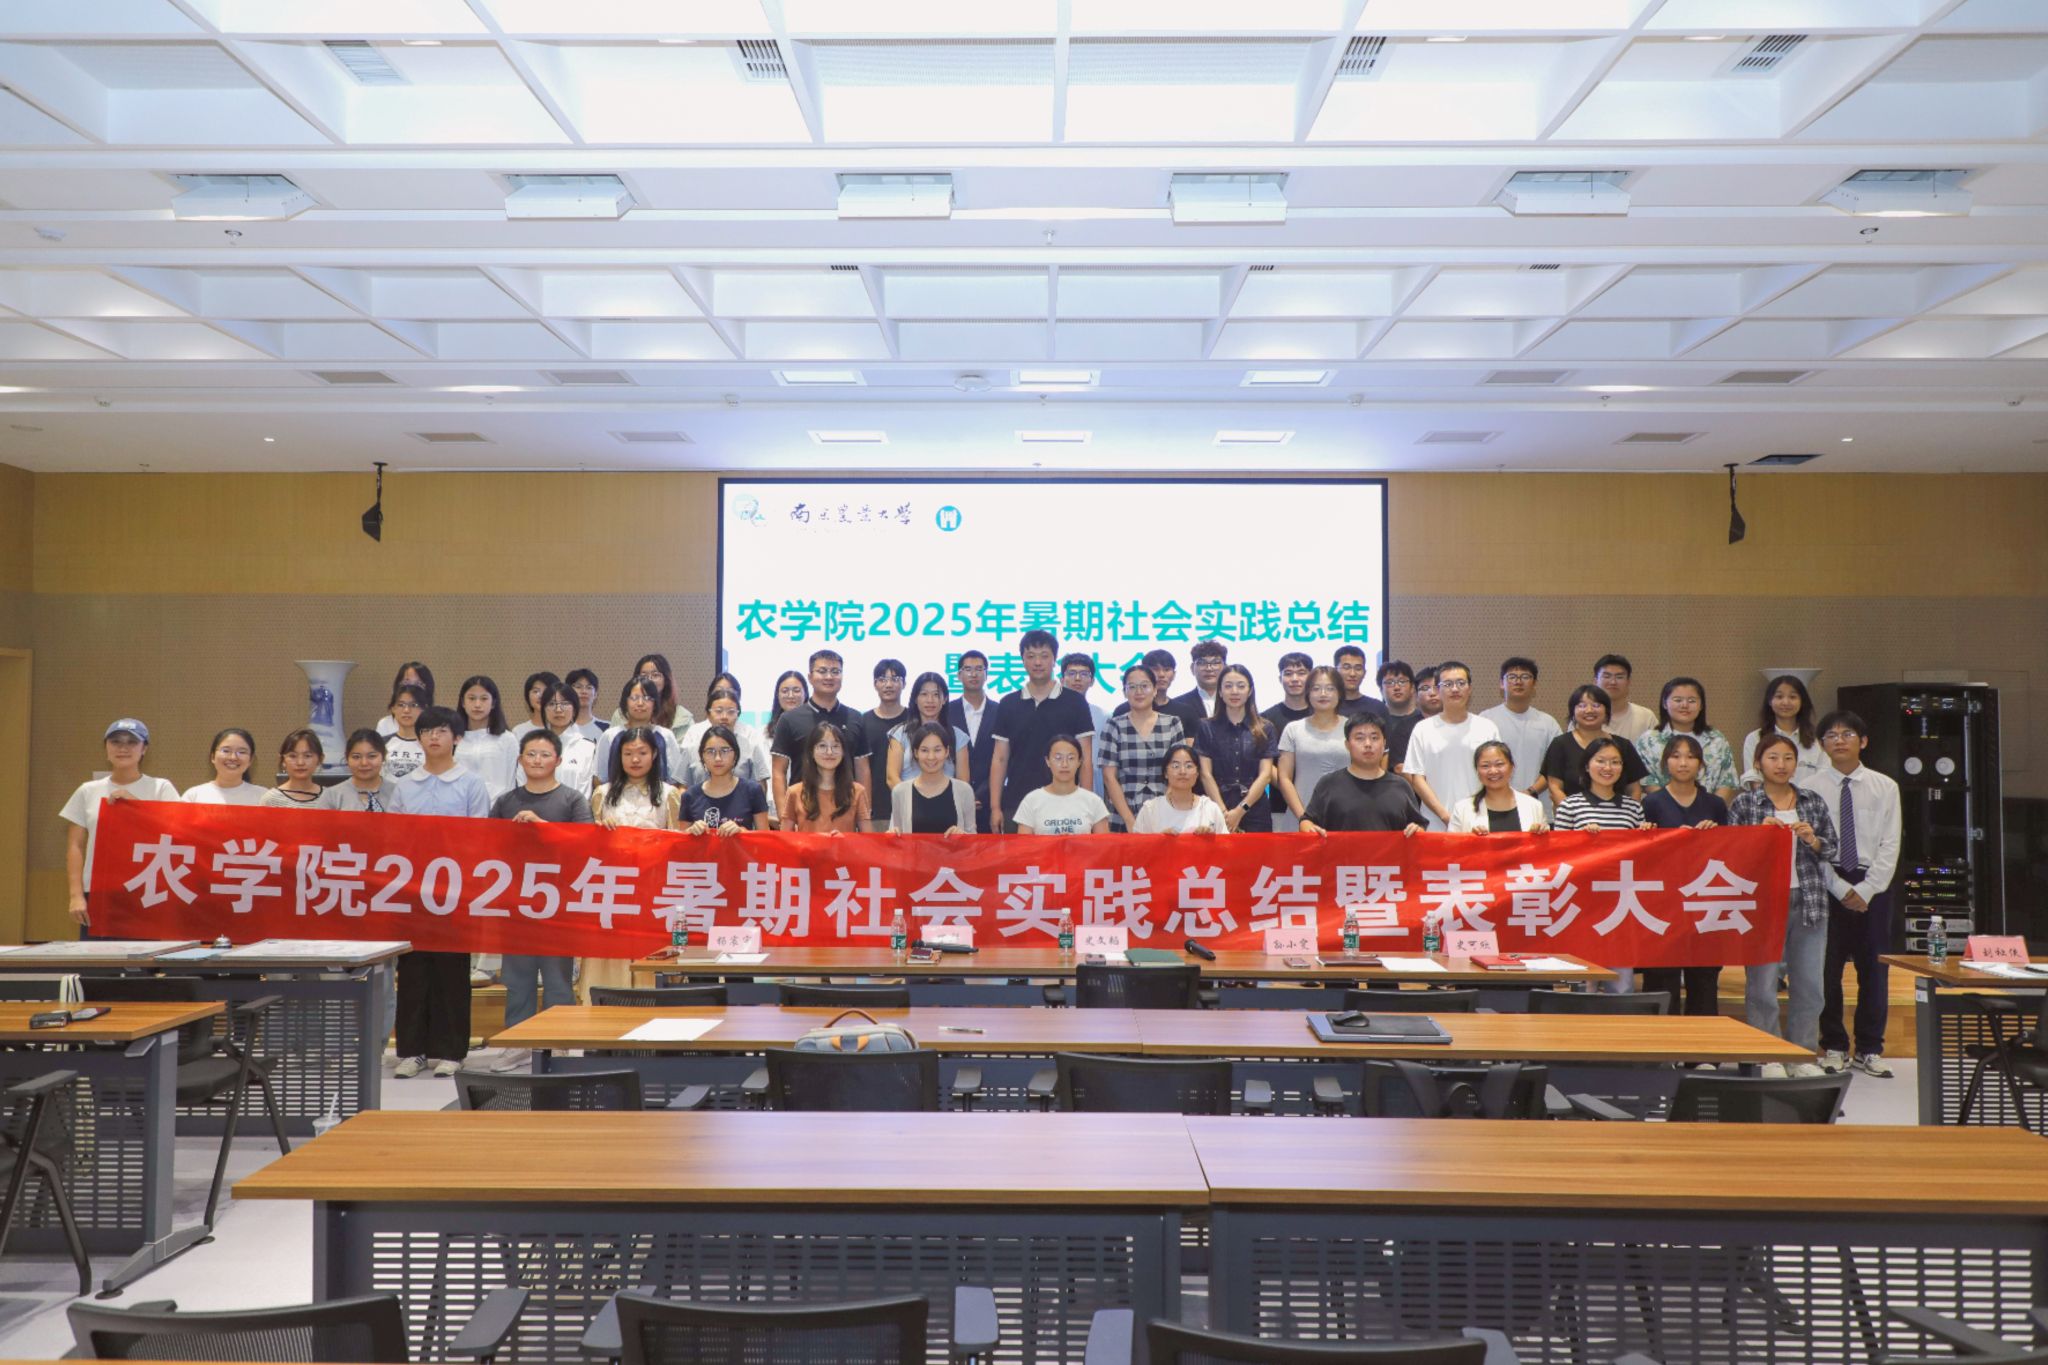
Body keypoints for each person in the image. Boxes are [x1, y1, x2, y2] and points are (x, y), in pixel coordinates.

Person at [1732, 733, 1840, 1076]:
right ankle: (1767, 1055)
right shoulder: (1745, 804)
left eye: (1788, 758)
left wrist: (1812, 839)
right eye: (1773, 757)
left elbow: (1833, 848)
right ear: (1758, 763)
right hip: (1763, 904)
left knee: (1810, 986)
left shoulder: (1811, 800)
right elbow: (1731, 855)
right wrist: (1757, 835)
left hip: (1809, 901)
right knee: (1762, 986)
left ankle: (1801, 1056)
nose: (1781, 765)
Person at [393, 705, 491, 1079]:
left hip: (454, 890)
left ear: (457, 737)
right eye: (426, 731)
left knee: (452, 971)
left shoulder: (471, 783)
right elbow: (395, 839)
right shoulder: (405, 785)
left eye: (441, 731)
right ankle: (412, 1050)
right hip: (413, 890)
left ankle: (452, 1051)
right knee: (413, 971)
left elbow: (479, 836)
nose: (433, 737)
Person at [488, 730, 593, 1070]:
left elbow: (585, 844)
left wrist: (542, 825)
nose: (537, 760)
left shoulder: (572, 800)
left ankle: (557, 1041)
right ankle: (518, 1043)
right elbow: (488, 845)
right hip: (515, 901)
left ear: (558, 760)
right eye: (531, 754)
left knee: (557, 977)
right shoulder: (505, 802)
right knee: (517, 978)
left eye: (545, 754)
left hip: (558, 902)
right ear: (520, 759)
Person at [1809, 710, 1903, 1079]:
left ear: (1862, 741)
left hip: (1873, 886)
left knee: (1874, 971)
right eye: (1831, 735)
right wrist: (1838, 886)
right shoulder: (1809, 787)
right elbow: (1808, 847)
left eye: (1847, 734)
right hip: (1827, 882)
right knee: (1827, 970)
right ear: (1822, 745)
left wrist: (1866, 888)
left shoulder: (1885, 786)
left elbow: (1890, 843)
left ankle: (1869, 1048)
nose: (1839, 740)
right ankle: (1833, 1045)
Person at [1639, 734, 1731, 1018]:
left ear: (1701, 764)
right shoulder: (1651, 802)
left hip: (1704, 901)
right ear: (1665, 762)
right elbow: (1641, 857)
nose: (1683, 763)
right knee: (1661, 979)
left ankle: (1702, 1046)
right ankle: (1663, 1043)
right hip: (1663, 903)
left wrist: (1712, 836)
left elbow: (1729, 852)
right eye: (1676, 756)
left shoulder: (1715, 804)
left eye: (1691, 757)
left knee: (1704, 979)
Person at [61, 719, 179, 932]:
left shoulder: (161, 788)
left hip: (147, 890)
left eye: (132, 742)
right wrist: (76, 895)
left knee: (145, 953)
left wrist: (135, 806)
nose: (123, 748)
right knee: (97, 953)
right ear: (106, 747)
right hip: (99, 891)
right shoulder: (87, 790)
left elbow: (177, 834)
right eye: (116, 741)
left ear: (144, 749)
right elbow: (75, 846)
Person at [985, 630, 1096, 832]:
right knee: (1019, 854)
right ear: (1022, 660)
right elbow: (999, 758)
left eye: (1044, 656)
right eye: (1031, 656)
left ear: (1054, 660)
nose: (1038, 662)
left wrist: (1088, 805)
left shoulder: (1075, 702)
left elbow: (1086, 758)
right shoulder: (1008, 703)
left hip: (1067, 804)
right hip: (1017, 803)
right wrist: (995, 807)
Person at [1401, 662, 1503, 831]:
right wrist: (1446, 816)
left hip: (1479, 820)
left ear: (1470, 688)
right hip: (1436, 822)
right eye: (1448, 684)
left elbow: (1497, 774)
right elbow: (1417, 779)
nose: (1455, 689)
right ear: (1438, 690)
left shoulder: (1487, 727)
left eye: (1461, 683)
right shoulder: (1423, 729)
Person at [769, 649, 871, 813]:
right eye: (822, 671)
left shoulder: (855, 718)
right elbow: (778, 771)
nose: (829, 677)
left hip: (846, 811)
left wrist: (864, 813)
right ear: (810, 677)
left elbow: (862, 769)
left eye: (835, 671)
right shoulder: (789, 719)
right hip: (803, 812)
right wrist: (784, 815)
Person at [1299, 713, 1426, 836]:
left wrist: (1417, 829)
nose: (1368, 744)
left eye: (1374, 738)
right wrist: (1309, 828)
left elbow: (1419, 825)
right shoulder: (1329, 784)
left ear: (1384, 743)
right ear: (1347, 745)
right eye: (1359, 738)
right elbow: (1307, 821)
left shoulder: (1401, 786)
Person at [1098, 663, 1185, 832]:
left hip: (1165, 815)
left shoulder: (1172, 723)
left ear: (1155, 690)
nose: (1138, 692)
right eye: (1132, 687)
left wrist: (1161, 813)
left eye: (1144, 686)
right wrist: (1130, 820)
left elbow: (1178, 771)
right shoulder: (1114, 725)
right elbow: (1109, 777)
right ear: (1124, 692)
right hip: (1123, 817)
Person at [1196, 663, 1275, 833]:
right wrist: (1222, 812)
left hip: (1255, 809)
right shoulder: (1206, 726)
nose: (1234, 691)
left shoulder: (1265, 728)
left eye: (1241, 686)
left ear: (1250, 691)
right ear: (1220, 691)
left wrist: (1240, 810)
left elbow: (1265, 775)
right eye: (1228, 686)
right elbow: (1205, 774)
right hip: (1216, 807)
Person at [1636, 677, 1738, 802]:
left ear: (1701, 705)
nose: (1684, 705)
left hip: (1710, 812)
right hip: (1662, 810)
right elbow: (1647, 781)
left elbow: (1727, 781)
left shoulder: (1716, 739)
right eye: (1677, 700)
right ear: (1664, 703)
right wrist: (1671, 808)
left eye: (1691, 701)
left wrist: (1711, 808)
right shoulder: (1648, 740)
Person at [1541, 685, 1648, 805]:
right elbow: (1555, 788)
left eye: (1596, 705)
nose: (1589, 710)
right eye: (1582, 705)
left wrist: (1630, 812)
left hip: (1618, 814)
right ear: (1572, 711)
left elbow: (1634, 789)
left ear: (1607, 710)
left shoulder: (1623, 745)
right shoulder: (1560, 744)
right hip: (1573, 815)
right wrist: (1573, 812)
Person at [1481, 657, 1561, 813]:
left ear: (1534, 683)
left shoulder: (1548, 723)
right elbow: (1480, 764)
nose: (1518, 681)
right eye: (1512, 677)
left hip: (1538, 807)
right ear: (1501, 683)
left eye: (1525, 676)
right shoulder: (1486, 719)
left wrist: (1531, 791)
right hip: (1495, 806)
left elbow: (1555, 767)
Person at [1275, 665, 1349, 833]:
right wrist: (1304, 818)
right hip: (1300, 817)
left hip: (1345, 817)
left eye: (1330, 688)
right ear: (1308, 693)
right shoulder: (1293, 729)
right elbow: (1284, 778)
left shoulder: (1352, 728)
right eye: (1316, 688)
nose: (1323, 694)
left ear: (1340, 693)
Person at [680, 723, 773, 835]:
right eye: (710, 752)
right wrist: (690, 832)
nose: (718, 758)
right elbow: (681, 840)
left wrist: (742, 832)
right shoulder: (690, 796)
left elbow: (764, 838)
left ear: (735, 755)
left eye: (724, 751)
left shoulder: (752, 791)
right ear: (702, 757)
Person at [780, 720, 871, 835]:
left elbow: (868, 840)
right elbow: (784, 839)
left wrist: (845, 840)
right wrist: (816, 840)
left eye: (835, 746)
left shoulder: (857, 792)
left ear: (843, 752)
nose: (829, 752)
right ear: (811, 752)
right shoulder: (794, 792)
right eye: (822, 746)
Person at [1740, 674, 1828, 789]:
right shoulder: (1755, 738)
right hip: (1767, 800)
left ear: (1802, 701)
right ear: (1769, 701)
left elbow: (1824, 777)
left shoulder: (1817, 739)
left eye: (1792, 697)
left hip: (1809, 799)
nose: (1785, 702)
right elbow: (1753, 778)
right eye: (1779, 697)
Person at [887, 722, 976, 835]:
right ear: (916, 753)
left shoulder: (964, 790)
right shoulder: (900, 791)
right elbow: (895, 833)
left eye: (937, 750)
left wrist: (963, 835)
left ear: (946, 752)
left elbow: (973, 837)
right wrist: (893, 834)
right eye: (924, 750)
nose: (931, 757)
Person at [594, 677, 685, 784]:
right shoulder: (610, 736)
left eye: (647, 698)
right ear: (625, 702)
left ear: (655, 703)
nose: (640, 703)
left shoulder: (665, 735)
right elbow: (599, 778)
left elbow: (675, 779)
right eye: (634, 698)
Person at [1012, 735, 1110, 835]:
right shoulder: (1031, 801)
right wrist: (1057, 842)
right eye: (1058, 758)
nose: (1064, 764)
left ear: (1079, 762)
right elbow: (1024, 843)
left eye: (1071, 758)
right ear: (1048, 761)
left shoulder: (1094, 801)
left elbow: (1104, 843)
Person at [888, 673, 972, 788]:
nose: (930, 700)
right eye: (924, 694)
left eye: (936, 694)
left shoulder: (958, 736)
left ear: (945, 699)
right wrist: (911, 797)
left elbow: (963, 782)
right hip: (907, 797)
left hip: (947, 798)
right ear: (915, 699)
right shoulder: (900, 734)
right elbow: (892, 778)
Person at [945, 650, 998, 833]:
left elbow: (1004, 757)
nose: (974, 674)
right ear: (959, 675)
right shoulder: (946, 712)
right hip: (951, 802)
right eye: (968, 669)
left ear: (986, 674)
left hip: (990, 802)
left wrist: (981, 794)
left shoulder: (1000, 711)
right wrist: (963, 795)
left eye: (979, 669)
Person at [1447, 740, 1547, 834]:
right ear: (1477, 770)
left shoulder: (1534, 806)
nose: (1493, 771)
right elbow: (1451, 845)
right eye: (1485, 766)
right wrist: (1471, 839)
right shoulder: (1462, 809)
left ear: (1512, 767)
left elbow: (1545, 845)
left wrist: (1538, 836)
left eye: (1499, 764)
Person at [1550, 738, 1648, 832]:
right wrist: (1583, 836)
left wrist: (1647, 833)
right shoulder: (1569, 805)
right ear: (1587, 766)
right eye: (1601, 761)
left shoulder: (1634, 807)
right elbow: (1560, 842)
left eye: (1615, 762)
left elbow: (1639, 843)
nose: (1608, 768)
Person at [681, 689, 772, 789]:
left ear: (737, 715)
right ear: (708, 715)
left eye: (731, 712)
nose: (724, 717)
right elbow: (681, 788)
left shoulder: (751, 748)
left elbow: (760, 788)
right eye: (719, 711)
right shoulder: (691, 749)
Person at [1135, 741, 1228, 835]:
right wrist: (1160, 840)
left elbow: (1226, 843)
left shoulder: (1210, 809)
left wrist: (1211, 840)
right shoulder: (1150, 810)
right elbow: (1136, 843)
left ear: (1197, 773)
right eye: (1176, 766)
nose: (1182, 771)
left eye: (1189, 766)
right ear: (1165, 773)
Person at [452, 675, 519, 801]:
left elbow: (511, 781)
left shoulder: (507, 739)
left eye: (484, 699)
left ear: (493, 703)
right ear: (463, 703)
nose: (477, 704)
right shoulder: (453, 738)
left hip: (497, 809)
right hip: (460, 807)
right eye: (472, 698)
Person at [859, 658, 908, 830]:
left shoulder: (914, 720)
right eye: (882, 679)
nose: (888, 685)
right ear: (875, 684)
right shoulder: (862, 722)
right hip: (873, 812)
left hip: (909, 809)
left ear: (904, 684)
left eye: (895, 679)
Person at [1061, 652, 1113, 804]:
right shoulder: (1051, 712)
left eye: (1084, 674)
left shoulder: (1104, 716)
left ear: (1092, 681)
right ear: (1062, 679)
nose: (1077, 678)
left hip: (1093, 791)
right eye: (1072, 673)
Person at [315, 729, 403, 812]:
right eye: (356, 757)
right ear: (347, 758)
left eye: (372, 756)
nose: (364, 763)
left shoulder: (399, 794)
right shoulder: (331, 796)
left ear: (383, 756)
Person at [608, 652, 693, 738]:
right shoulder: (620, 715)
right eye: (644, 675)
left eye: (655, 675)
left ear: (666, 680)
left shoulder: (682, 716)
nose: (649, 680)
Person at [538, 682, 598, 795]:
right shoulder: (533, 746)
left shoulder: (588, 748)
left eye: (565, 703)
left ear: (574, 710)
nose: (558, 709)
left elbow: (588, 791)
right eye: (552, 704)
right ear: (544, 710)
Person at [183, 728, 264, 806]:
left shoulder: (263, 797)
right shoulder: (193, 796)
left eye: (242, 752)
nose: (233, 757)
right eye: (226, 751)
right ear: (213, 757)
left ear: (250, 760)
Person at [1594, 655, 1658, 742]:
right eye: (1606, 676)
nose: (1613, 682)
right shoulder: (1585, 717)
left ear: (1628, 682)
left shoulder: (1646, 717)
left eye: (1619, 677)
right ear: (1595, 681)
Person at [1112, 649, 1186, 721]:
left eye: (1166, 670)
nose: (1161, 674)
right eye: (1155, 669)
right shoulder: (1123, 711)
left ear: (1174, 674)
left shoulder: (1184, 711)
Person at [263, 729, 327, 807]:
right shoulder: (271, 799)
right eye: (293, 756)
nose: (300, 762)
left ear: (320, 759)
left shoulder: (331, 797)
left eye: (307, 756)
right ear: (282, 760)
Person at [1172, 640, 1228, 721]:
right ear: (1192, 668)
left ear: (1225, 668)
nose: (1209, 668)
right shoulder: (1177, 705)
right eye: (1202, 663)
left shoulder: (1234, 701)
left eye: (1215, 663)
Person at [375, 662, 434, 736]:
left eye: (418, 683)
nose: (411, 688)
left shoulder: (437, 726)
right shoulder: (385, 724)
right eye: (407, 682)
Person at [382, 684, 426, 781]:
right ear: (393, 709)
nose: (406, 710)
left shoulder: (431, 743)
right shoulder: (381, 743)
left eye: (414, 705)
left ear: (423, 709)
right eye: (401, 705)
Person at [1333, 644, 1388, 721]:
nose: (1352, 674)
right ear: (1335, 671)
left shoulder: (1378, 708)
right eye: (1346, 667)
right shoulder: (1327, 706)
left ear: (1364, 673)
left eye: (1358, 668)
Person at [1263, 651, 1313, 732]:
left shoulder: (1322, 714)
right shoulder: (1266, 719)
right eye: (1288, 674)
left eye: (1301, 673)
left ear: (1312, 678)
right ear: (1280, 679)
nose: (1294, 679)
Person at [510, 670, 563, 741]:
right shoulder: (518, 731)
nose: (541, 696)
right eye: (536, 691)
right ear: (528, 696)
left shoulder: (565, 730)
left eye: (546, 691)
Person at [564, 667, 607, 741]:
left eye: (589, 687)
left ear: (595, 694)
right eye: (578, 687)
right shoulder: (559, 727)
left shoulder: (607, 728)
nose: (584, 691)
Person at [765, 669, 809, 737]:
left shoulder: (816, 728)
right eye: (785, 691)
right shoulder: (764, 733)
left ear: (805, 694)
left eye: (796, 691)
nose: (790, 696)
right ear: (778, 695)